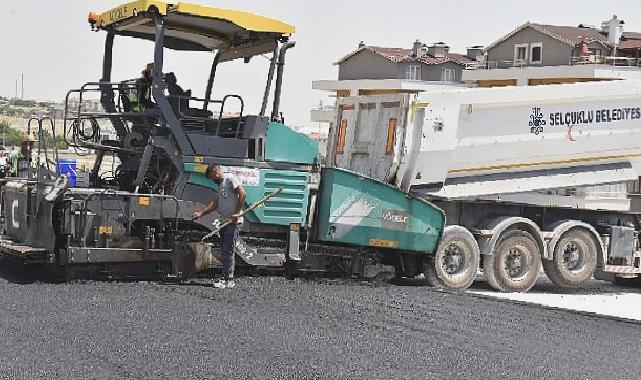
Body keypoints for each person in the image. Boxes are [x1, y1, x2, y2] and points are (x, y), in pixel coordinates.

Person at [193, 164, 247, 289]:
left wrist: (236, 213)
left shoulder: (230, 179)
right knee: (225, 250)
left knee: (228, 250)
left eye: (212, 177)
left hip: (233, 222)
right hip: (224, 222)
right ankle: (226, 277)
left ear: (216, 172)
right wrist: (201, 213)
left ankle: (229, 280)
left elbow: (243, 194)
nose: (213, 180)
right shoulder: (220, 186)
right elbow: (215, 203)